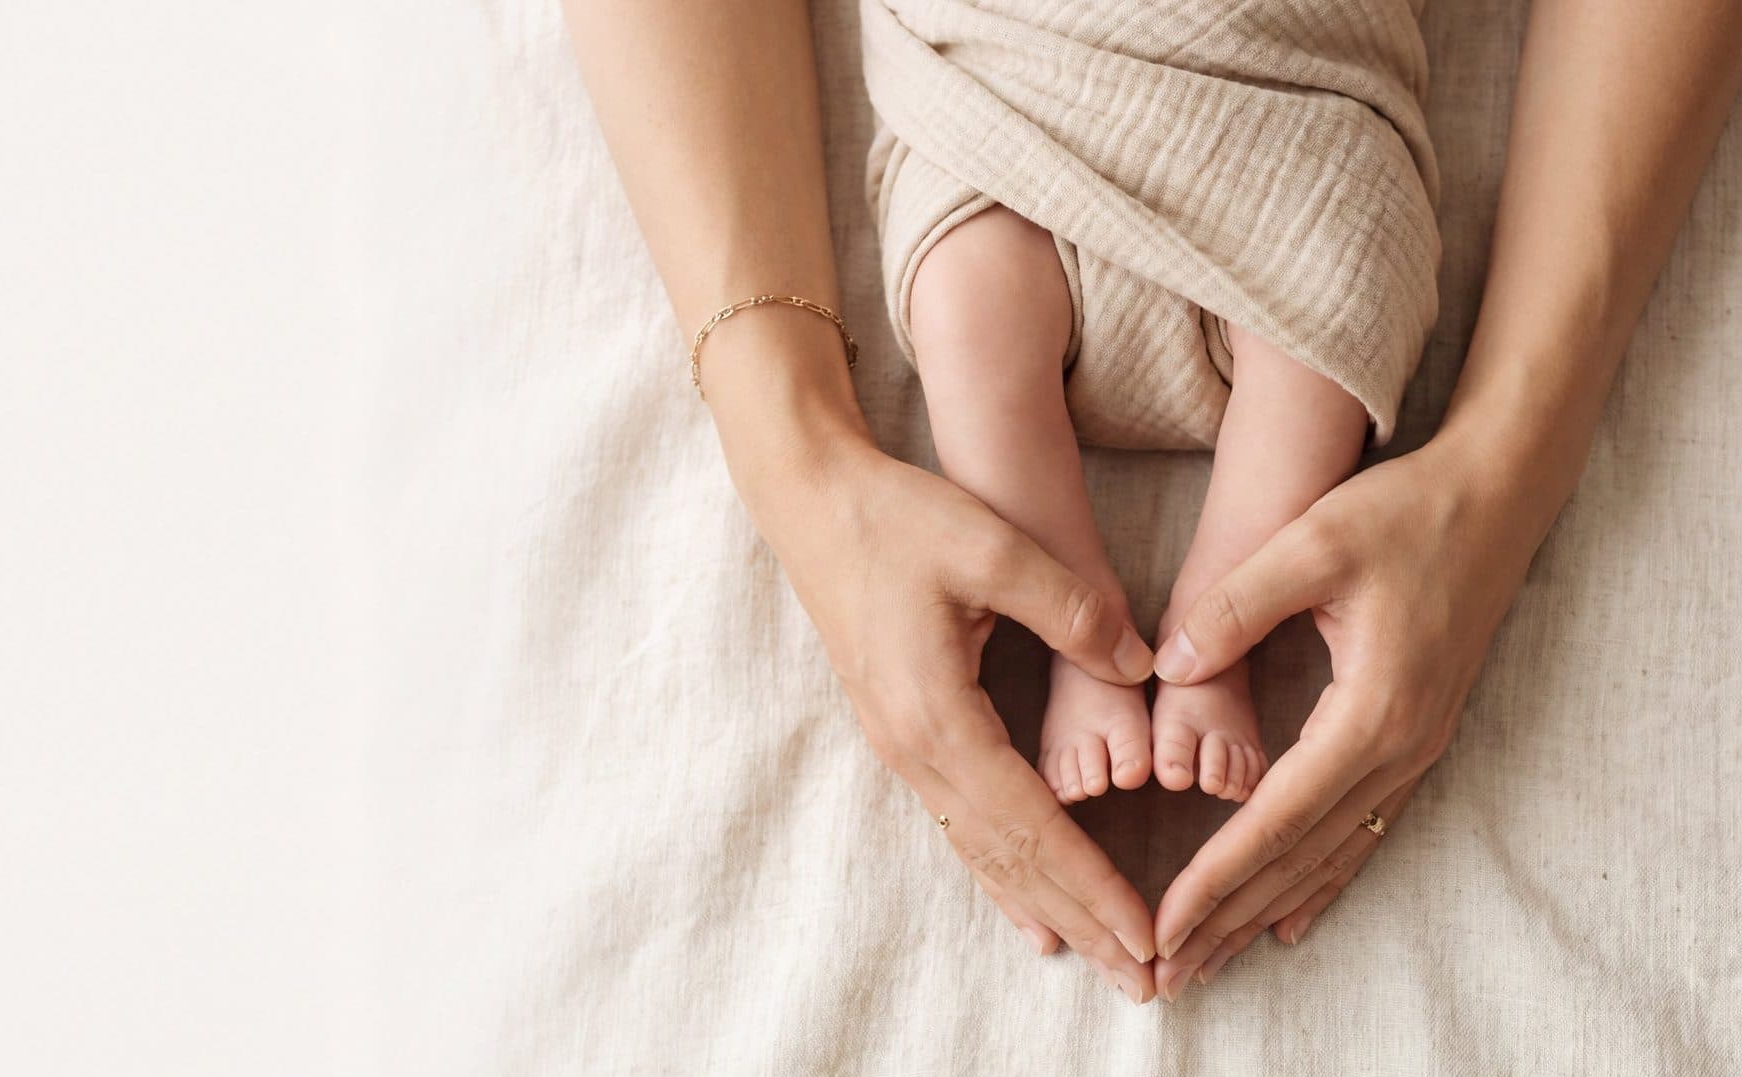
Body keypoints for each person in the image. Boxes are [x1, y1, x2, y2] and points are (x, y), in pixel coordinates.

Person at [562, 0, 1742, 1006]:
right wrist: (795, 457)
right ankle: (1085, 641)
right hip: (1016, 79)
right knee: (970, 304)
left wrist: (1505, 464)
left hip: (1287, 89)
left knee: (1333, 308)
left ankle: (1207, 639)